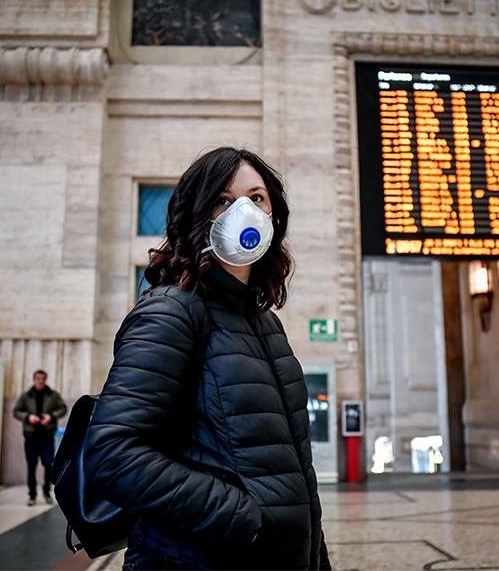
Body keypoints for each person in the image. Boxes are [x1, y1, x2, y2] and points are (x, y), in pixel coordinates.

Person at [83, 147, 331, 570]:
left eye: (257, 198)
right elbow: (111, 453)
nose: (244, 211)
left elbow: (293, 471)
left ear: (274, 215)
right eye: (223, 199)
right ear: (197, 214)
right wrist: (243, 521)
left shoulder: (264, 323)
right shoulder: (172, 311)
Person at [13, 369, 67, 506]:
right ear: (34, 379)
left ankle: (47, 491)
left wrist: (52, 417)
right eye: (38, 378)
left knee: (48, 464)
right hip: (31, 436)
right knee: (31, 465)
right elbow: (16, 411)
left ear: (45, 379)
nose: (40, 381)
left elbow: (63, 408)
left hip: (47, 435)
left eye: (42, 378)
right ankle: (32, 495)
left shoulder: (52, 395)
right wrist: (27, 417)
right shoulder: (27, 396)